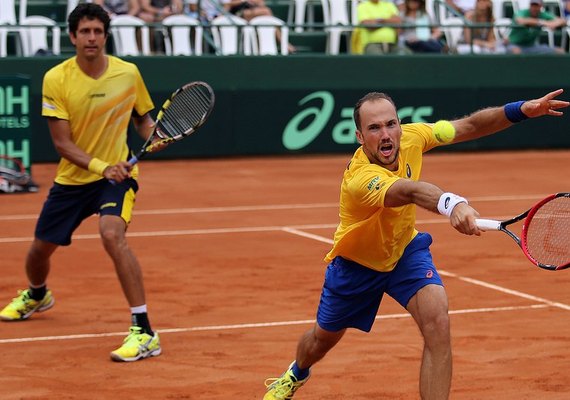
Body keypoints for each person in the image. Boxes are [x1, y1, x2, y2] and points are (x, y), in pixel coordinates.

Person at [262, 88, 569, 399]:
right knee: (320, 341)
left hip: (404, 251)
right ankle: (296, 373)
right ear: (359, 136)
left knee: (438, 321)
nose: (386, 134)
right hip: (356, 265)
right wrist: (454, 204)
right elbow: (409, 190)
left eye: (391, 124)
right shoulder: (360, 179)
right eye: (374, 128)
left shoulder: (413, 135)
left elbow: (470, 126)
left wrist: (520, 110)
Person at [0, 3, 162, 363]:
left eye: (98, 31)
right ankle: (38, 294)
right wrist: (103, 166)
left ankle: (144, 330)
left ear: (106, 36)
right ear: (73, 37)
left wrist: (156, 135)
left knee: (111, 234)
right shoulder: (56, 78)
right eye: (85, 32)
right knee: (39, 251)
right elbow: (62, 143)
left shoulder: (128, 73)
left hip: (118, 178)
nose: (92, 38)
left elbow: (143, 121)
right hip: (75, 178)